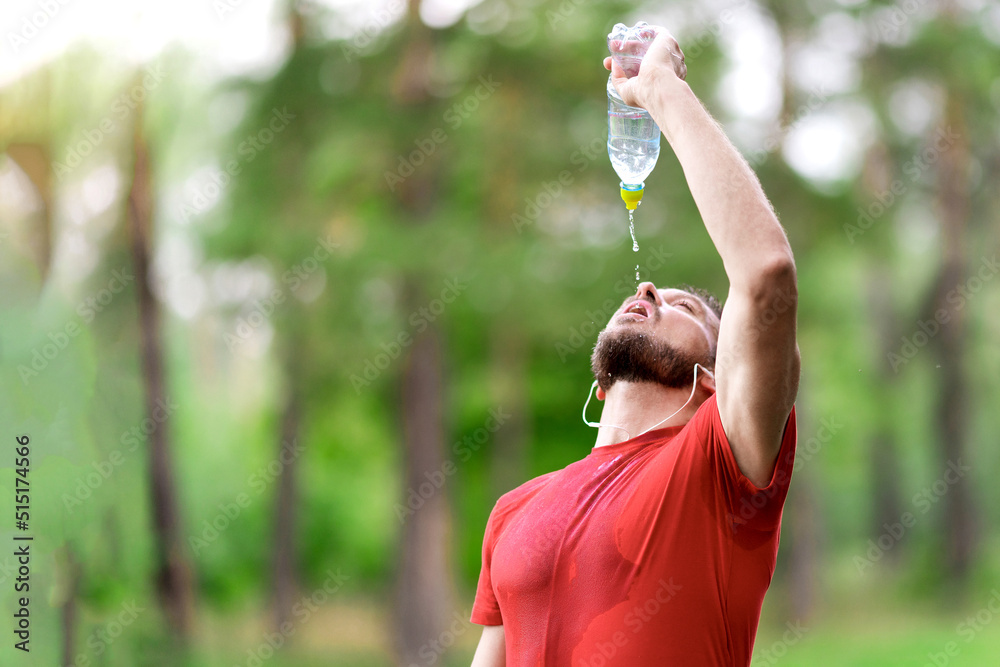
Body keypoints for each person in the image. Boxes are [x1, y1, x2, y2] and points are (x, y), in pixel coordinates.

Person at [469, 24, 801, 667]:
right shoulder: (516, 508)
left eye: (685, 307)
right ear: (600, 385)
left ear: (715, 378)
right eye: (654, 293)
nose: (649, 287)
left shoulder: (718, 467)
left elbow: (765, 275)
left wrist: (661, 91)